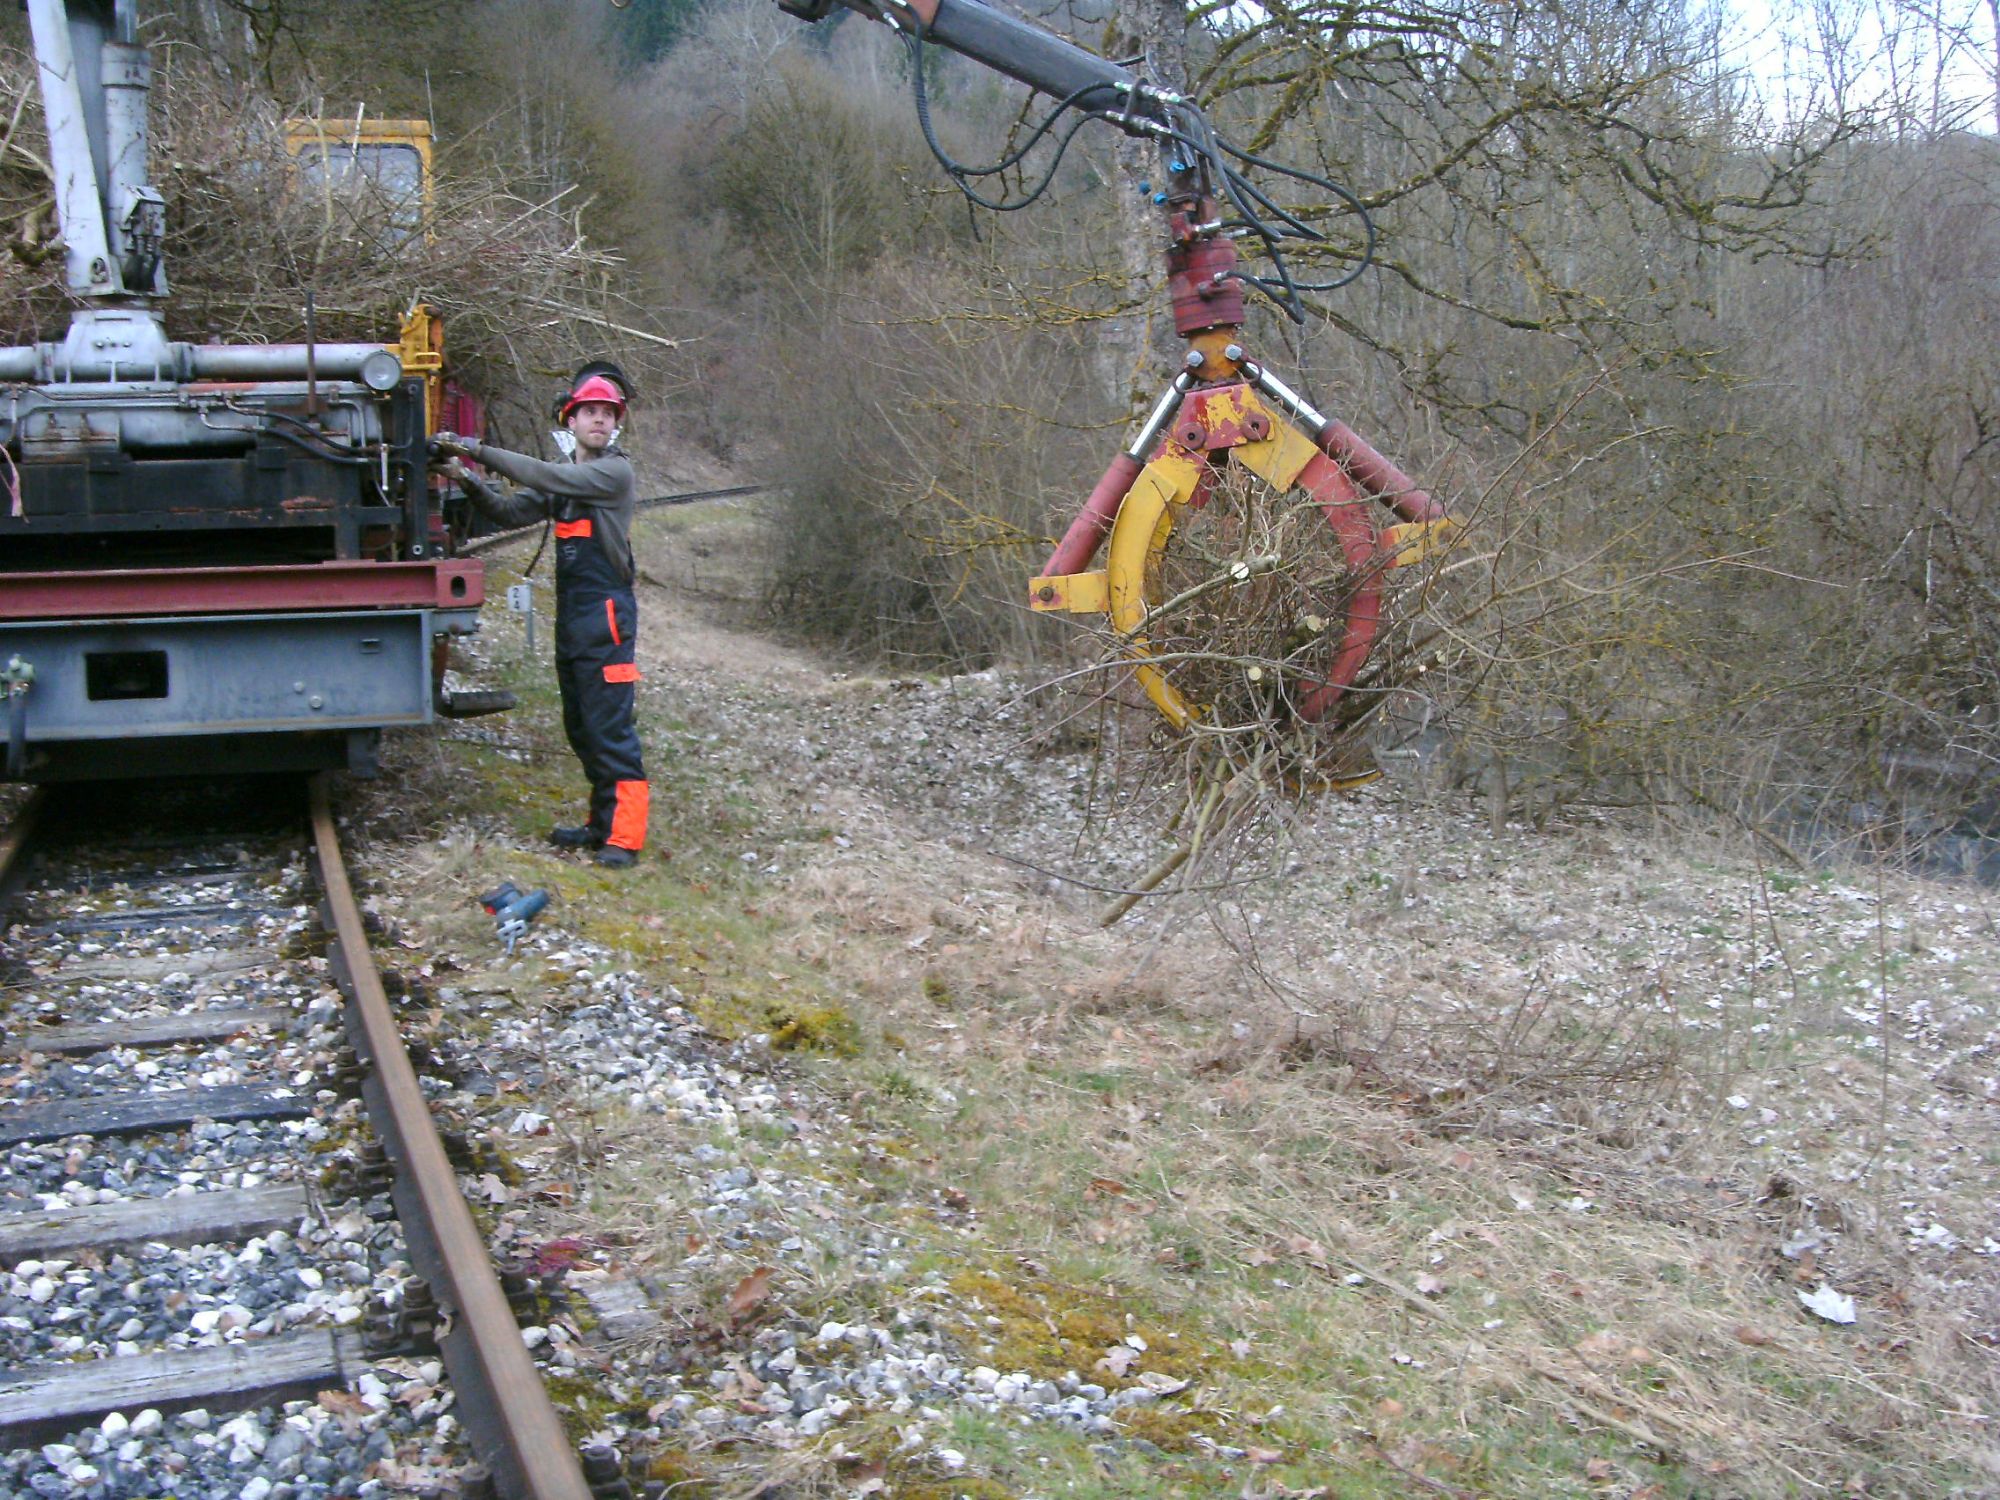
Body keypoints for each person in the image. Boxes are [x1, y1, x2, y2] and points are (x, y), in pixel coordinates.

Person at [432, 365, 649, 868]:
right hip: (574, 620)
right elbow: (508, 513)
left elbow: (548, 476)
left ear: (615, 424)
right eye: (589, 412)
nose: (599, 421)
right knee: (581, 726)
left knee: (610, 728)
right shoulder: (570, 478)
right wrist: (463, 477)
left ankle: (626, 839)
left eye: (607, 414)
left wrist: (474, 447)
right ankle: (601, 824)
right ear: (571, 421)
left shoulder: (612, 472)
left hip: (608, 618)